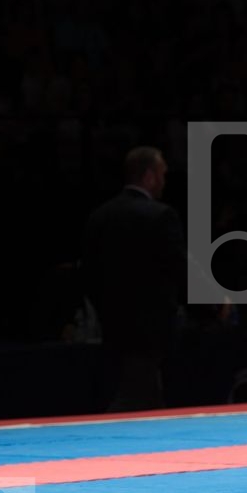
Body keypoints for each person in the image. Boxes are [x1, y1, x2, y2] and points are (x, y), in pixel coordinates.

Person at [82, 146, 186, 411]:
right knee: (140, 399)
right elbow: (178, 268)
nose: (164, 182)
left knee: (130, 393)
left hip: (113, 330)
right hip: (153, 331)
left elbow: (89, 275)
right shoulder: (161, 216)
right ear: (150, 177)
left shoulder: (99, 217)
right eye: (162, 175)